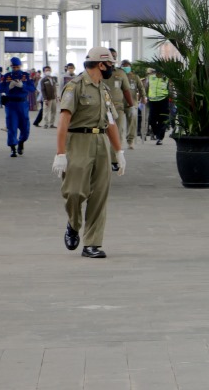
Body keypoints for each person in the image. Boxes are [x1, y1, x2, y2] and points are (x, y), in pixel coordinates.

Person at [52, 47, 126, 259]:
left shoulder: (104, 89)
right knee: (74, 192)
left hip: (101, 142)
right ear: (101, 64)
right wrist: (60, 153)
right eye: (110, 64)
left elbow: (110, 122)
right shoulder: (74, 86)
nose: (113, 68)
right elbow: (63, 121)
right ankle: (74, 224)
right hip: (78, 141)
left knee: (99, 195)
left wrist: (118, 151)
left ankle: (92, 244)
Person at [0, 57, 35, 157]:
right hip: (11, 105)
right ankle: (13, 148)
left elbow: (32, 88)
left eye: (17, 67)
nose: (15, 69)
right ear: (11, 66)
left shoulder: (26, 76)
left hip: (23, 105)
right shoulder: (6, 76)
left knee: (25, 127)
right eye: (13, 67)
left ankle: (21, 141)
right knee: (12, 126)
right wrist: (8, 87)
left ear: (20, 66)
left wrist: (23, 86)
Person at [103, 49, 133, 168]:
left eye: (115, 57)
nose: (113, 59)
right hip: (100, 107)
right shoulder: (98, 71)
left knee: (117, 132)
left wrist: (131, 105)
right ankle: (102, 159)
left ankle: (114, 161)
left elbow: (126, 90)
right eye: (111, 56)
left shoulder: (120, 73)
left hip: (117, 108)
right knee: (101, 134)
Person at [121, 60, 145, 149]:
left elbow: (141, 87)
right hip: (119, 103)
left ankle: (130, 140)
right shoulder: (118, 76)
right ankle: (119, 140)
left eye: (127, 65)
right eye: (123, 65)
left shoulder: (135, 77)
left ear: (130, 66)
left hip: (132, 102)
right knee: (118, 123)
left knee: (132, 122)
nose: (125, 67)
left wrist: (143, 97)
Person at [146, 68, 170, 145]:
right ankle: (156, 133)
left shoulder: (166, 78)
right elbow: (146, 87)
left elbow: (170, 89)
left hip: (164, 100)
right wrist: (145, 97)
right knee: (151, 120)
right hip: (152, 101)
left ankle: (160, 138)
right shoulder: (150, 77)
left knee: (162, 120)